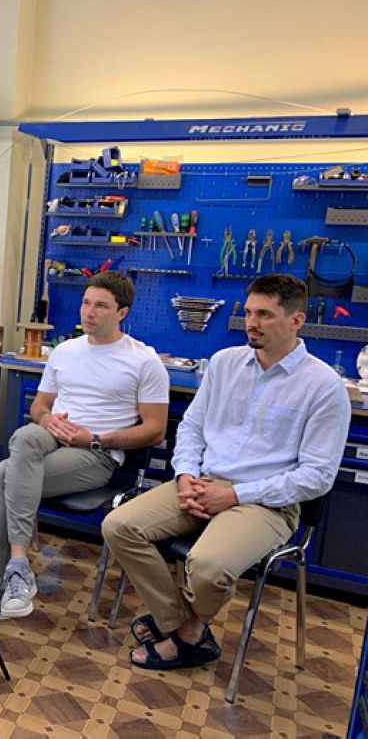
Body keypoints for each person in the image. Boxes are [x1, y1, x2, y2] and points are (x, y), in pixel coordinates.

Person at [101, 274, 350, 670]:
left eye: (265, 315)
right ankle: (184, 627)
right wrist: (185, 475)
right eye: (249, 312)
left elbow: (317, 477)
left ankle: (187, 632)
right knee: (119, 526)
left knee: (208, 567)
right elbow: (193, 427)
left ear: (296, 321)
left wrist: (234, 495)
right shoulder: (224, 363)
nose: (252, 322)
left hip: (267, 502)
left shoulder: (323, 386)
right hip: (203, 483)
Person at [0, 271, 169, 625]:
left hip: (96, 452)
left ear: (122, 312)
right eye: (86, 303)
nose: (89, 312)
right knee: (25, 436)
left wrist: (95, 439)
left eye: (101, 306)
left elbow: (155, 431)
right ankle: (18, 568)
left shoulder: (144, 361)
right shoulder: (65, 351)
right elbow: (40, 406)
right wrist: (48, 420)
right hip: (51, 438)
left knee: (4, 474)